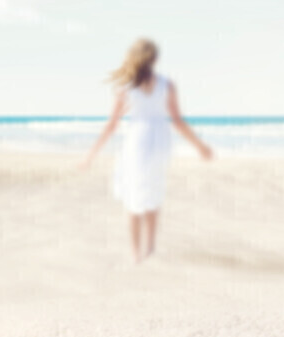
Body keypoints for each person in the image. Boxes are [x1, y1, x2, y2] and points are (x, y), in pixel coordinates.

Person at [83, 38, 212, 263]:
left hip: (138, 139)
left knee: (135, 196)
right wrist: (200, 146)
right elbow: (178, 121)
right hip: (161, 140)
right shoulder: (166, 84)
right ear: (155, 59)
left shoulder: (126, 86)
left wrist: (91, 153)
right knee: (153, 191)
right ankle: (150, 248)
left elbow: (112, 125)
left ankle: (135, 253)